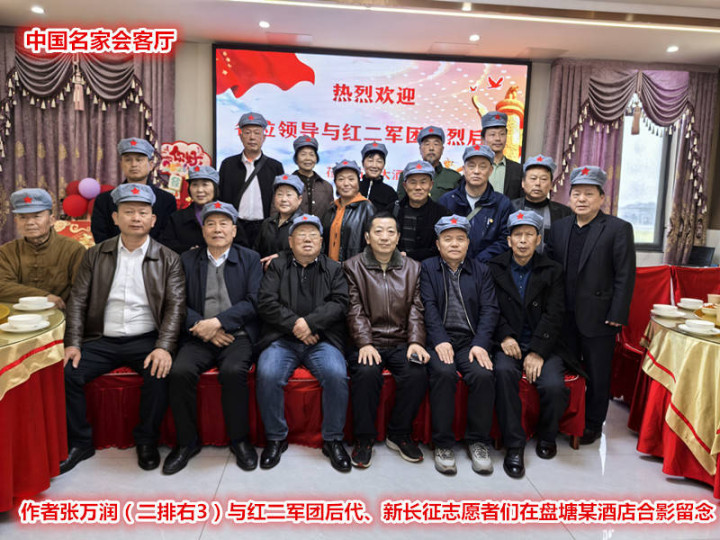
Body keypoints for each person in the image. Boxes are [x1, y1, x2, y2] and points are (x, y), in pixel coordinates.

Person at [61, 183, 185, 474]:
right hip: (101, 338)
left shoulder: (169, 258)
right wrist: (73, 343)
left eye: (143, 212)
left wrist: (164, 347)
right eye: (129, 212)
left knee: (159, 373)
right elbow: (77, 300)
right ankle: (80, 442)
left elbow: (175, 307)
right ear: (116, 218)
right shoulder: (95, 254)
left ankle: (147, 440)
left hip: (146, 338)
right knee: (67, 373)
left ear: (153, 220)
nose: (136, 218)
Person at [163, 201, 262, 475]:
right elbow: (177, 302)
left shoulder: (250, 258)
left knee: (233, 371)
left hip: (236, 335)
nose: (217, 229)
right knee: (180, 372)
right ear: (203, 229)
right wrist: (200, 326)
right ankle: (187, 443)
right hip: (198, 335)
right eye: (211, 224)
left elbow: (255, 301)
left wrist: (218, 323)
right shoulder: (187, 260)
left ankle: (239, 440)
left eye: (223, 224)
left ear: (234, 230)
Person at [488, 210, 581, 479]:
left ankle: (547, 435)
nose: (522, 240)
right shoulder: (494, 268)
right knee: (503, 373)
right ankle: (514, 445)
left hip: (545, 343)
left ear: (538, 239)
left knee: (553, 386)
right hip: (508, 342)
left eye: (529, 235)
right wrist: (505, 337)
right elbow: (491, 309)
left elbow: (555, 314)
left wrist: (538, 351)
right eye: (517, 235)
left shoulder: (552, 270)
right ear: (508, 240)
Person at [546, 166, 636, 445]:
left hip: (599, 316)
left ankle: (593, 424)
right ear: (569, 197)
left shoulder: (618, 229)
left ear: (601, 198)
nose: (581, 199)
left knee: (598, 374)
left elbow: (625, 275)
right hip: (564, 315)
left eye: (588, 194)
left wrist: (618, 312)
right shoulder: (560, 227)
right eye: (576, 194)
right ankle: (567, 419)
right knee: (567, 371)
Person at [256, 214, 351, 472]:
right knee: (268, 373)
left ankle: (333, 440)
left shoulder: (334, 268)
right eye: (301, 234)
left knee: (336, 374)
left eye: (313, 235)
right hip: (282, 339)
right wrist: (296, 326)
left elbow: (340, 303)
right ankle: (276, 438)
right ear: (290, 241)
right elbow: (266, 302)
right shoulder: (277, 266)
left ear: (321, 240)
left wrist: (310, 324)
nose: (307, 239)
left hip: (321, 339)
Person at [344, 212, 429, 468]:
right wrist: (365, 343)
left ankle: (399, 433)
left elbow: (416, 308)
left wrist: (416, 341)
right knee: (366, 373)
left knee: (417, 372)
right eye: (378, 231)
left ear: (398, 237)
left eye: (391, 231)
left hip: (402, 340)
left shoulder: (413, 267)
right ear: (367, 237)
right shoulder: (352, 267)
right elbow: (354, 309)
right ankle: (364, 438)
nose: (385, 237)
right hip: (368, 340)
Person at [420, 215, 499, 475]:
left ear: (468, 242)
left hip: (470, 341)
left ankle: (478, 441)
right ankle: (443, 444)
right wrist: (440, 339)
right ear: (438, 244)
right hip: (439, 339)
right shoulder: (427, 268)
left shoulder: (481, 270)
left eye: (460, 239)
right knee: (443, 373)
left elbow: (490, 310)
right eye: (448, 239)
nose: (454, 244)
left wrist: (481, 344)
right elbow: (428, 307)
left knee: (483, 374)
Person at [0, 188, 85, 307]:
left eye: (37, 216)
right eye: (23, 217)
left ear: (51, 220)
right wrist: (43, 297)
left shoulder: (73, 250)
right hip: (18, 315)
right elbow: (2, 286)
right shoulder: (6, 251)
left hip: (61, 315)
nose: (29, 222)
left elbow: (82, 292)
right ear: (16, 221)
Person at [91, 138, 177, 243]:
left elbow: (168, 237)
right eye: (128, 160)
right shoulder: (104, 200)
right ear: (121, 165)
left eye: (139, 160)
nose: (134, 165)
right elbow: (101, 237)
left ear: (151, 165)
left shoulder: (166, 200)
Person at [438, 144, 512, 262]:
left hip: (487, 267)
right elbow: (438, 236)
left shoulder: (502, 204)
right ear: (464, 169)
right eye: (471, 166)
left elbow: (505, 239)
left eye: (482, 167)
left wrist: (478, 262)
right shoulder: (447, 201)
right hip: (452, 266)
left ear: (490, 170)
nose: (476, 171)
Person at [218, 112, 284, 243]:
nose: (252, 137)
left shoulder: (275, 166)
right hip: (236, 226)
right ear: (240, 136)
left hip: (265, 227)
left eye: (257, 133)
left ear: (264, 137)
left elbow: (280, 199)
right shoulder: (228, 164)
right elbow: (221, 196)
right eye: (247, 133)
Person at [159, 165, 248, 253]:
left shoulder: (228, 214)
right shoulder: (177, 218)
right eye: (195, 185)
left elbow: (242, 247)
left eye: (205, 184)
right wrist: (189, 251)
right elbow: (166, 245)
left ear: (215, 187)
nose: (200, 190)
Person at [511, 155, 572, 253]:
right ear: (523, 183)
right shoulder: (510, 208)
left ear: (551, 185)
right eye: (533, 178)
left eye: (543, 179)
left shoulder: (564, 213)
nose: (538, 183)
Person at [392, 160, 450, 261]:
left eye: (423, 182)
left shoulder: (443, 214)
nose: (418, 187)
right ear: (405, 186)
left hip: (430, 269)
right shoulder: (392, 210)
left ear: (431, 185)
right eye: (413, 182)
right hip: (396, 267)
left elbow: (444, 246)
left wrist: (410, 256)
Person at [322, 159, 376, 263]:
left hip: (355, 268)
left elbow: (373, 245)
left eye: (351, 179)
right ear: (335, 183)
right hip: (329, 268)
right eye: (341, 179)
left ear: (358, 182)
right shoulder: (331, 208)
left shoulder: (367, 208)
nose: (346, 183)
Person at [254, 174, 304, 270]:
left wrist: (281, 257)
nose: (284, 199)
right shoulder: (267, 223)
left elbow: (311, 253)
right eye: (279, 194)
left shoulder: (305, 224)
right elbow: (256, 251)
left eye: (289, 195)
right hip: (268, 276)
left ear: (299, 199)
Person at [397, 126, 461, 200]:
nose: (431, 148)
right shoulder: (406, 175)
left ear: (442, 149)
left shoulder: (454, 177)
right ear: (420, 149)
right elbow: (401, 203)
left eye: (436, 144)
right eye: (427, 144)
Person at [481, 111, 523, 200]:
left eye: (502, 134)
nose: (498, 138)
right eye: (492, 134)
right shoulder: (475, 169)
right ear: (483, 139)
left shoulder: (518, 170)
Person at [290, 135, 334, 218]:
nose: (308, 158)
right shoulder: (287, 185)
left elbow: (331, 216)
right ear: (296, 158)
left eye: (311, 154)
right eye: (303, 154)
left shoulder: (326, 186)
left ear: (316, 158)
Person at [358, 142, 397, 212]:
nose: (374, 165)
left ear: (384, 164)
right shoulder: (354, 188)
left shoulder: (390, 192)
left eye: (379, 161)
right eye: (370, 161)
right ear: (362, 163)